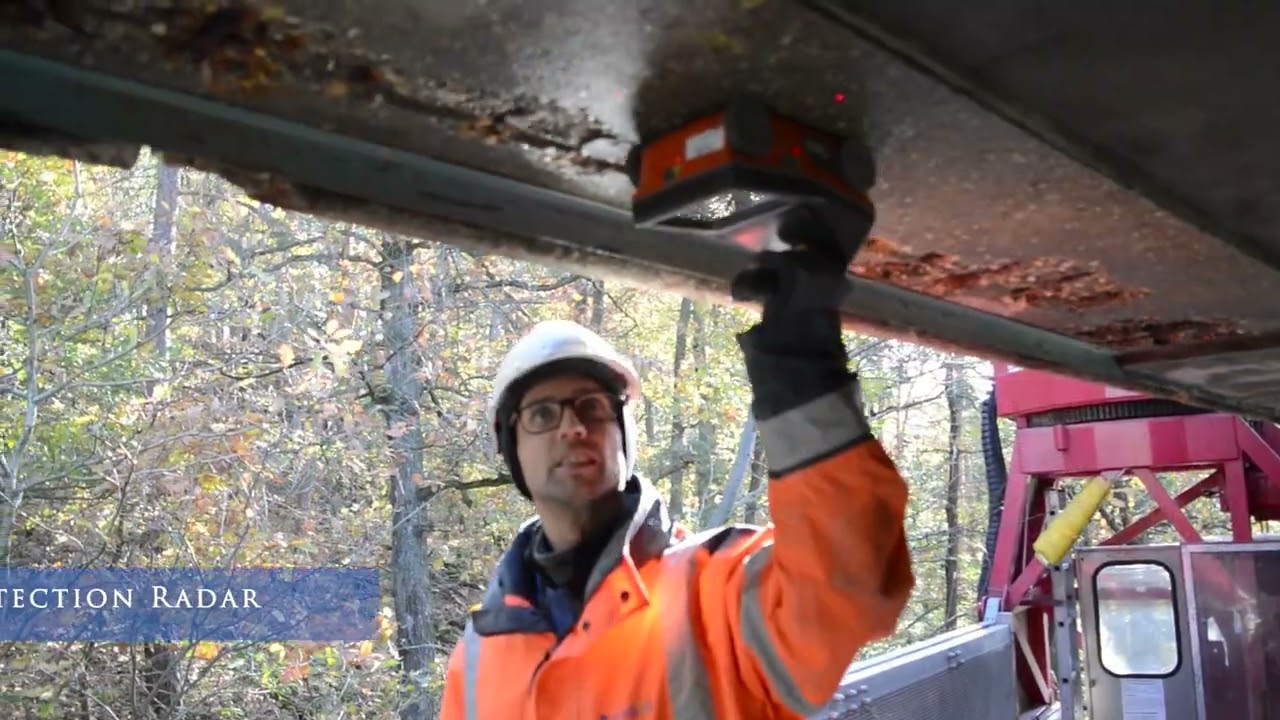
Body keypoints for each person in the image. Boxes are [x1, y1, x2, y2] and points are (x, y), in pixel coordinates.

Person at [437, 250, 914, 720]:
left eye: (592, 407)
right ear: (511, 447)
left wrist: (798, 371)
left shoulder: (719, 593)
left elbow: (849, 581)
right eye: (542, 414)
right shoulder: (477, 662)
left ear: (624, 432)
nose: (572, 428)